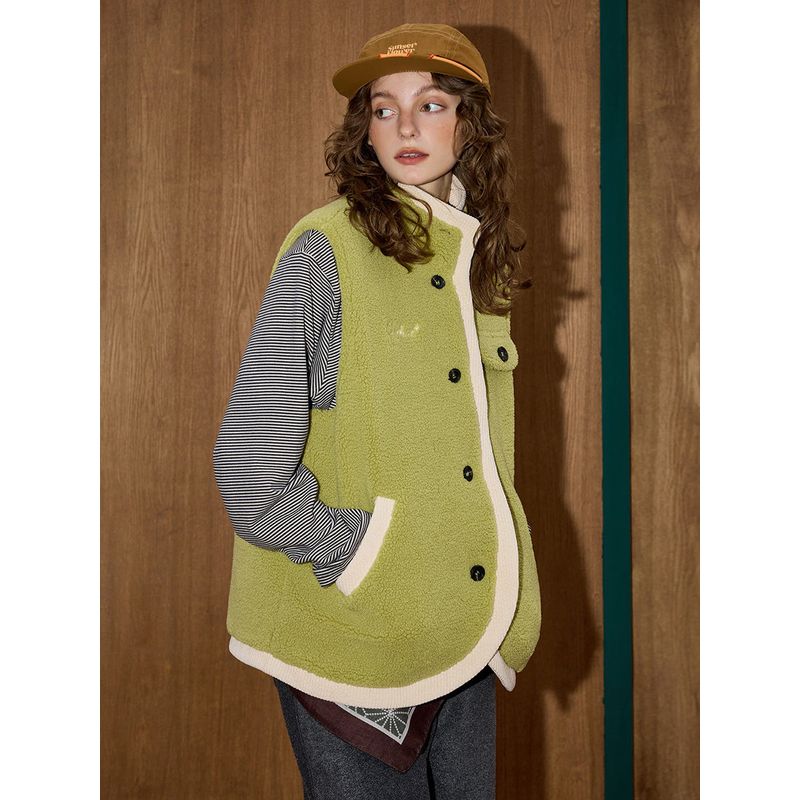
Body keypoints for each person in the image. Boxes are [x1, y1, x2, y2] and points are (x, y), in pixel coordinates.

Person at [212, 22, 542, 799]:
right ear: (364, 128)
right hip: (354, 626)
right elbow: (249, 469)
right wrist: (360, 554)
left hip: (465, 624)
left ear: (471, 125)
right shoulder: (324, 250)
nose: (405, 127)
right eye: (384, 108)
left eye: (431, 105)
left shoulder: (475, 259)